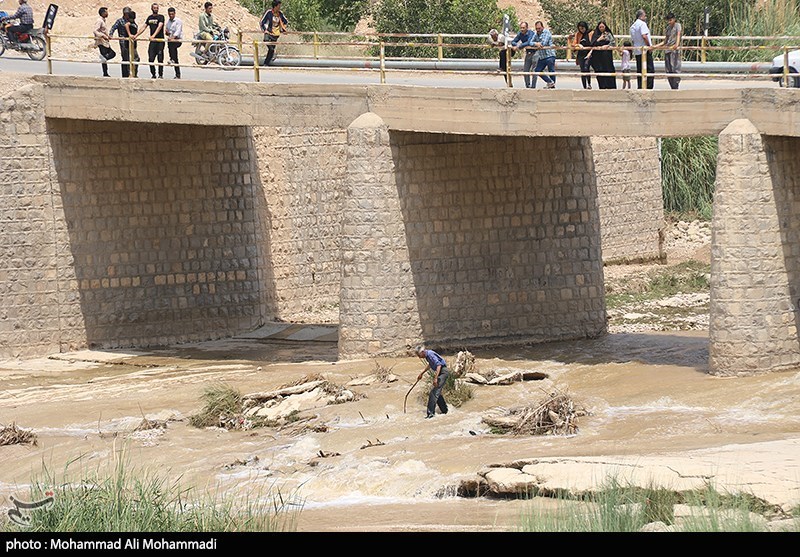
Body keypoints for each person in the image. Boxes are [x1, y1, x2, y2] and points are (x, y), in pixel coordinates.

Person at [415, 345, 449, 419]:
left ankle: (430, 414)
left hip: (443, 372)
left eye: (419, 355)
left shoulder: (430, 354)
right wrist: (422, 373)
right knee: (437, 392)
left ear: (422, 352)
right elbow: (430, 364)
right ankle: (445, 411)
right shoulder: (427, 356)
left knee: (433, 393)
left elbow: (439, 365)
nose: (419, 357)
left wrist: (436, 378)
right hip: (441, 372)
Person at [587, 21, 617, 89]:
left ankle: (611, 87)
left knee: (609, 70)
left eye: (603, 27)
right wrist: (599, 39)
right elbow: (592, 44)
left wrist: (607, 46)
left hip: (607, 56)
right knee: (600, 71)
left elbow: (613, 43)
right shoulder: (596, 34)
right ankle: (602, 86)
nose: (601, 28)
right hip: (598, 57)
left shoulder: (608, 34)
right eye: (600, 27)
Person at [657, 12, 682, 90]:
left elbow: (678, 35)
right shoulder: (668, 28)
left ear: (674, 19)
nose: (669, 22)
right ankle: (672, 86)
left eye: (670, 20)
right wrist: (655, 46)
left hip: (674, 50)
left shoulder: (677, 26)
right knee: (668, 70)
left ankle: (676, 85)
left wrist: (676, 45)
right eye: (668, 20)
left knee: (675, 68)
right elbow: (665, 41)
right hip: (667, 49)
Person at [630, 8, 654, 89]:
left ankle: (640, 86)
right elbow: (644, 36)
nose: (645, 17)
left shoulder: (632, 26)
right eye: (644, 16)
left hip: (637, 50)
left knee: (640, 70)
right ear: (641, 16)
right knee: (649, 70)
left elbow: (633, 40)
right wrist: (649, 46)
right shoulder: (642, 24)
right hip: (645, 50)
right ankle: (648, 87)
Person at [140, 3, 165, 79]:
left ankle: (160, 75)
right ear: (152, 8)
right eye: (154, 8)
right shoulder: (149, 18)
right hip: (153, 41)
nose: (156, 9)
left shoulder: (161, 17)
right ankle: (153, 74)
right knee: (151, 58)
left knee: (160, 58)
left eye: (157, 8)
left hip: (160, 40)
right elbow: (144, 27)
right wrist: (136, 35)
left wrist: (153, 36)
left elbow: (160, 26)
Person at [260, 0, 288, 66]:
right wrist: (264, 29)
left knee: (271, 50)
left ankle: (266, 63)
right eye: (278, 6)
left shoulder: (280, 14)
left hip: (276, 34)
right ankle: (269, 59)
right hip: (268, 32)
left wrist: (282, 29)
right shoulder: (269, 12)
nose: (279, 7)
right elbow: (262, 22)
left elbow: (286, 21)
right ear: (275, 6)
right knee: (267, 42)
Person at [531, 20, 556, 89]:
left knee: (551, 70)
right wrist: (536, 44)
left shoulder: (546, 32)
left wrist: (538, 43)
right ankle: (550, 82)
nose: (538, 30)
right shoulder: (536, 34)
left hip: (549, 55)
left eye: (539, 28)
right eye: (536, 29)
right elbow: (530, 42)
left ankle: (552, 85)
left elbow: (544, 43)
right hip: (542, 56)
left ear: (542, 27)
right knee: (537, 70)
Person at [110, 7, 134, 78]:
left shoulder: (131, 20)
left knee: (132, 58)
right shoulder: (120, 21)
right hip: (123, 41)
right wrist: (110, 34)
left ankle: (132, 73)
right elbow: (113, 27)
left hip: (130, 41)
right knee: (125, 58)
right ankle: (125, 75)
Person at [510, 21, 536, 89]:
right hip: (528, 54)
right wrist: (517, 45)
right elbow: (513, 42)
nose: (522, 29)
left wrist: (520, 46)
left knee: (534, 71)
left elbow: (529, 42)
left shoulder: (531, 33)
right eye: (521, 28)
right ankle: (527, 86)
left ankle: (533, 87)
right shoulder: (520, 34)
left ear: (527, 28)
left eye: (523, 28)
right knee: (525, 71)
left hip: (535, 53)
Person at [569, 21, 592, 90]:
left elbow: (593, 43)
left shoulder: (590, 33)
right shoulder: (578, 34)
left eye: (582, 28)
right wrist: (578, 45)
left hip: (589, 53)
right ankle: (584, 86)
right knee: (582, 70)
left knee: (586, 68)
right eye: (580, 29)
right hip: (581, 54)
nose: (582, 30)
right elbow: (573, 44)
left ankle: (589, 84)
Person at [94, 7, 116, 77]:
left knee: (105, 58)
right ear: (103, 13)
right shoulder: (99, 21)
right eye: (106, 12)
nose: (107, 13)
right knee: (112, 54)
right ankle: (105, 72)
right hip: (101, 42)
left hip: (105, 41)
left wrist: (108, 36)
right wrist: (102, 36)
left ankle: (105, 73)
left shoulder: (103, 20)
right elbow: (95, 30)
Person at [165, 7, 183, 79]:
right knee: (176, 58)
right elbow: (168, 32)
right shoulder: (168, 22)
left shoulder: (178, 21)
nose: (171, 16)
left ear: (175, 13)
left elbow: (178, 31)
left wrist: (173, 37)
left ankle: (171, 58)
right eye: (170, 14)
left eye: (172, 14)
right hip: (171, 40)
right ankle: (177, 74)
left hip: (177, 39)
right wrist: (167, 33)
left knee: (172, 46)